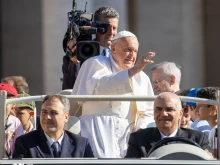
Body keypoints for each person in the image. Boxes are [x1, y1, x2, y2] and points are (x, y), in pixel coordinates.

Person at [72, 30, 155, 158]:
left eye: (135, 51)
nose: (132, 55)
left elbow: (149, 111)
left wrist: (142, 129)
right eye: (128, 50)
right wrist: (133, 71)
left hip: (129, 133)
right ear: (113, 48)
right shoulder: (96, 63)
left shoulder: (142, 78)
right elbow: (101, 87)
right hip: (98, 128)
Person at [125, 92, 211, 158]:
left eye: (169, 109)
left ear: (180, 113)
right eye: (158, 109)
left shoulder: (198, 139)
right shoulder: (138, 139)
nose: (163, 114)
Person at [13, 94, 94, 158]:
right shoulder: (25, 143)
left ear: (66, 117)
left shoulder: (81, 144)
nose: (47, 117)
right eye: (44, 112)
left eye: (53, 113)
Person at [62, 6, 119, 90]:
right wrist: (75, 62)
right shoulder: (79, 54)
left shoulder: (121, 53)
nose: (111, 33)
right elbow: (69, 89)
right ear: (95, 26)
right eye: (106, 27)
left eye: (114, 28)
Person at [0, 83, 24, 158]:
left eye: (6, 101)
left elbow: (20, 145)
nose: (1, 103)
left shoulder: (16, 122)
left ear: (13, 104)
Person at [196, 87, 220, 158]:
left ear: (213, 108)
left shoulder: (217, 131)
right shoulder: (213, 129)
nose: (196, 110)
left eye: (200, 106)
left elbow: (215, 158)